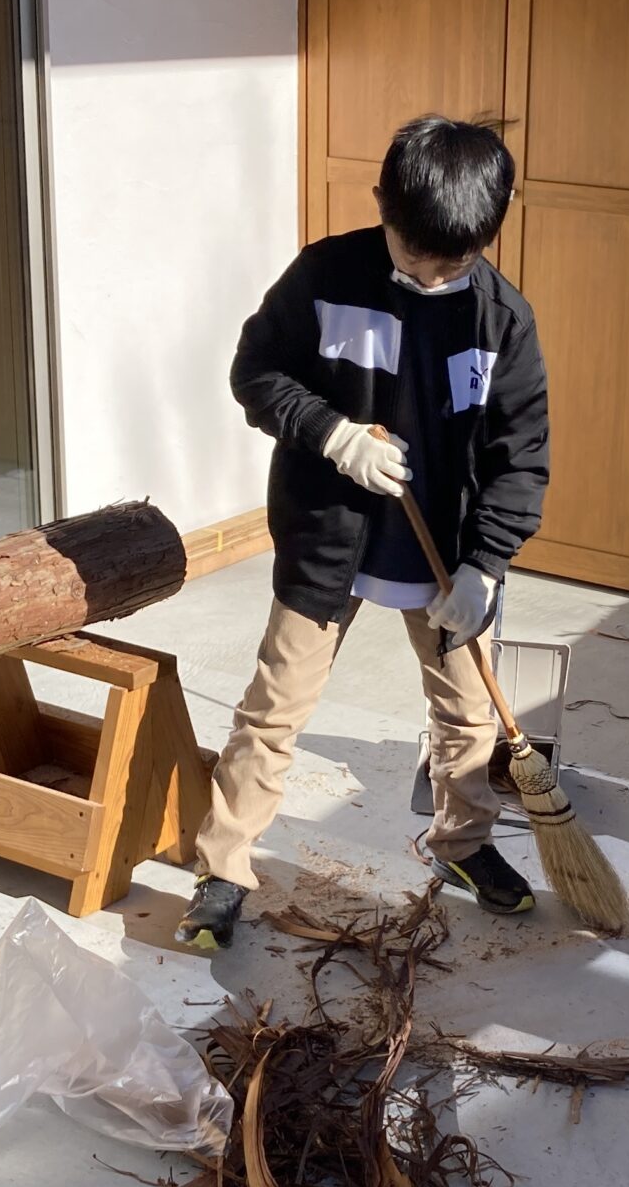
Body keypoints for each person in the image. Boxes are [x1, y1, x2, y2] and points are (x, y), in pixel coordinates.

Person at [175, 117, 550, 952]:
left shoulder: (503, 323)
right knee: (275, 708)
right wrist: (333, 433)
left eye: (448, 261)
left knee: (468, 720)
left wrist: (486, 564)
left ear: (490, 231)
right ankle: (223, 866)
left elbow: (520, 458)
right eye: (411, 251)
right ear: (382, 205)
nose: (424, 272)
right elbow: (257, 373)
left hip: (445, 554)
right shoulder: (326, 275)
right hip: (329, 539)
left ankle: (463, 845)